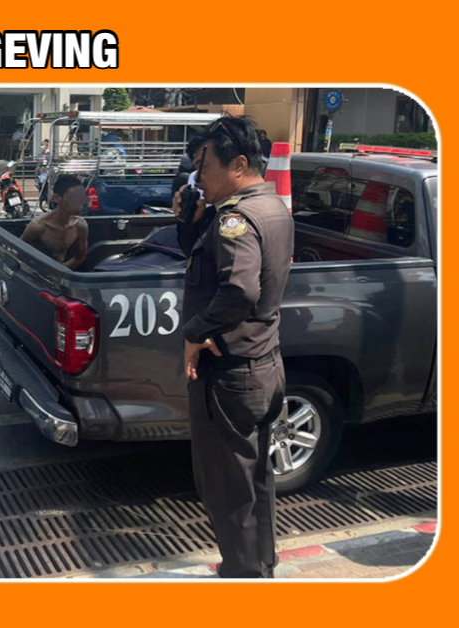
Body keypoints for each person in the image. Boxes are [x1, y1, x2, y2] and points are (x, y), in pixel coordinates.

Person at [172, 116, 293, 578]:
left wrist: (194, 332)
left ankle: (243, 577)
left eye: (204, 168)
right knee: (257, 480)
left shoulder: (235, 219)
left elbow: (239, 291)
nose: (198, 178)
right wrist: (190, 220)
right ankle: (261, 567)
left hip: (230, 376)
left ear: (238, 165)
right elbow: (206, 264)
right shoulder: (271, 206)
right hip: (263, 365)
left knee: (227, 490)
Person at [20, 174, 90, 270]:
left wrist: (61, 272)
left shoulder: (80, 226)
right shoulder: (38, 226)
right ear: (56, 198)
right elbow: (18, 251)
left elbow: (79, 257)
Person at [36, 139, 51, 208]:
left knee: (45, 187)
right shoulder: (40, 154)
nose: (43, 146)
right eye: (42, 145)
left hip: (46, 172)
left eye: (44, 145)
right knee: (40, 186)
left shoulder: (49, 154)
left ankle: (47, 200)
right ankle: (42, 199)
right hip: (40, 173)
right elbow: (39, 162)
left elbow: (49, 163)